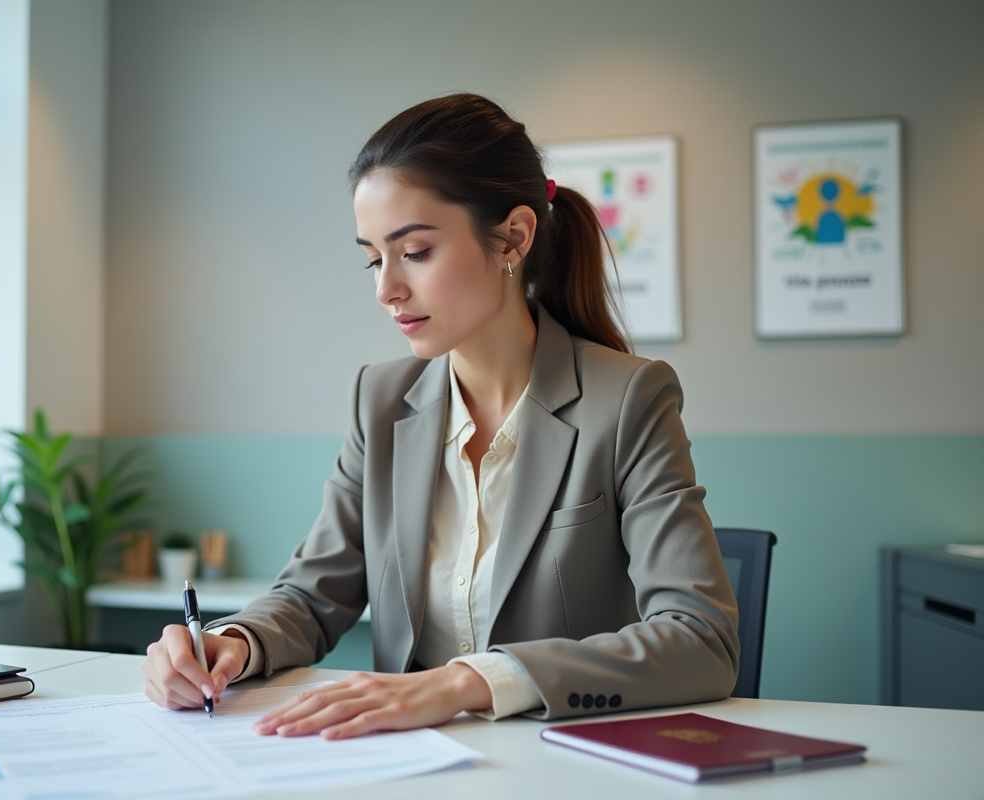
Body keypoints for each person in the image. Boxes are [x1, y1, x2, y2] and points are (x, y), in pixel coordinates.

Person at [142, 93, 739, 740]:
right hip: (412, 761)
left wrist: (468, 681)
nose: (385, 288)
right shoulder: (381, 400)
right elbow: (312, 598)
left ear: (513, 237)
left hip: (562, 763)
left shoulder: (629, 399)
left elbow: (700, 640)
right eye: (373, 257)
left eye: (415, 252)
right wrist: (232, 643)